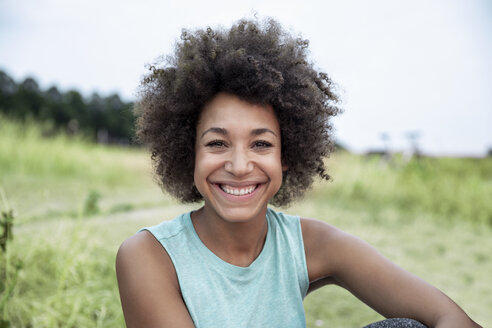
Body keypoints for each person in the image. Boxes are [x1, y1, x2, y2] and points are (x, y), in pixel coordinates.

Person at [116, 18, 480, 328]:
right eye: (217, 143)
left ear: (286, 155)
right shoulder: (148, 256)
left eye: (261, 144)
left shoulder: (308, 245)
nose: (240, 166)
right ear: (188, 151)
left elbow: (450, 318)